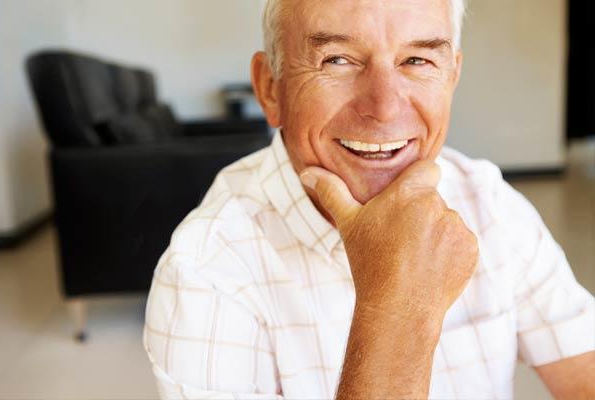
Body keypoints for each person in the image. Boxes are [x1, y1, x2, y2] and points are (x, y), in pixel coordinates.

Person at [143, 0, 595, 398]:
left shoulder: (488, 201)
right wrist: (398, 308)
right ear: (269, 87)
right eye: (337, 60)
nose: (384, 107)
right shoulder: (205, 272)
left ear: (453, 75)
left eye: (417, 60)